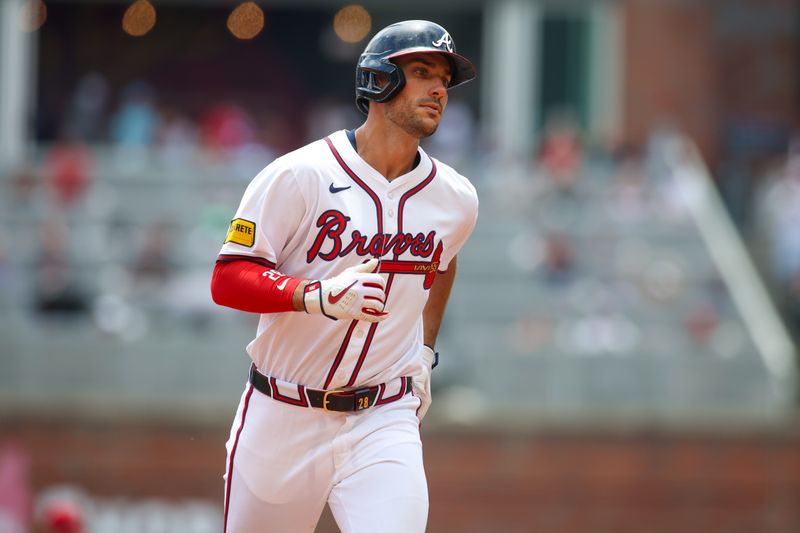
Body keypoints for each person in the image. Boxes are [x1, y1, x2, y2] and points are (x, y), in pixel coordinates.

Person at [210, 20, 478, 533]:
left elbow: (445, 258)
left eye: (444, 77)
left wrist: (423, 351)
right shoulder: (299, 174)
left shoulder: (455, 197)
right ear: (378, 80)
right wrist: (313, 296)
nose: (439, 88)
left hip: (384, 414)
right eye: (422, 72)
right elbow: (227, 279)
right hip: (282, 410)